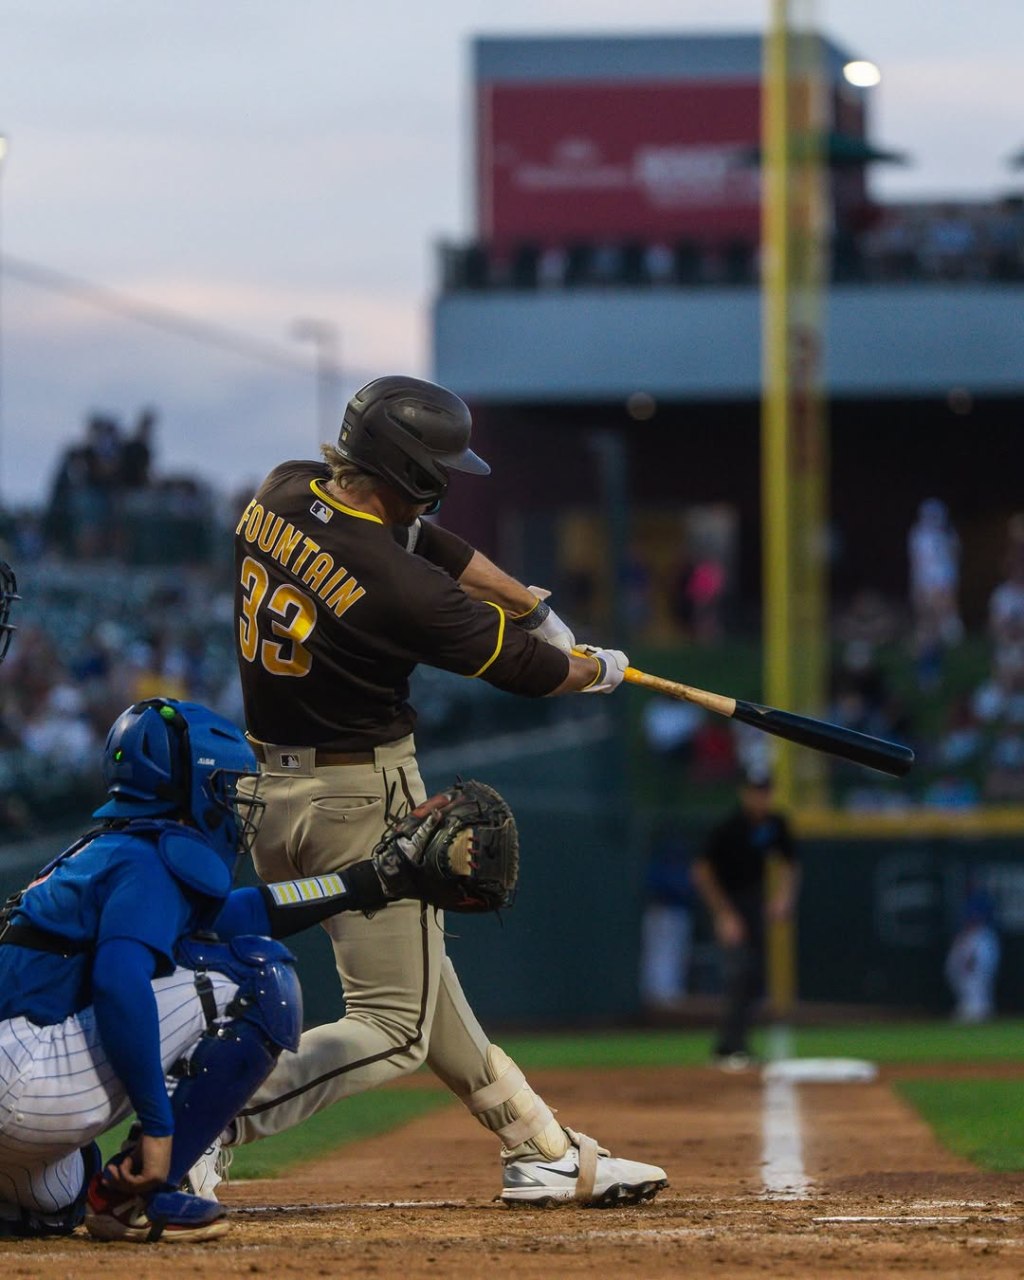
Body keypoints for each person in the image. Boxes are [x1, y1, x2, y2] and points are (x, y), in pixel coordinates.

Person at [226, 374, 667, 1207]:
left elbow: (423, 540)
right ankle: (216, 1116)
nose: (448, 480)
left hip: (271, 797)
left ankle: (536, 1144)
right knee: (393, 1026)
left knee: (422, 986)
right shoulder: (404, 595)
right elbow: (542, 677)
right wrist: (597, 669)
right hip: (363, 797)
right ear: (411, 469)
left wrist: (526, 606)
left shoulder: (281, 490)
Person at [0, 696, 493, 1243]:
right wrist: (158, 1128)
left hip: (20, 1087)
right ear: (194, 788)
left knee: (60, 1201)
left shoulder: (105, 852)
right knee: (259, 980)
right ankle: (139, 1198)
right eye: (227, 787)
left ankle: (90, 1195)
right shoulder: (148, 860)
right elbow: (119, 981)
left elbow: (242, 912)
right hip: (26, 1087)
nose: (237, 801)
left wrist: (368, 881)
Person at [691, 770, 799, 1070]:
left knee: (754, 979)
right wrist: (724, 914)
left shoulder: (775, 823)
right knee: (738, 974)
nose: (761, 798)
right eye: (756, 791)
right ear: (745, 793)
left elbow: (790, 863)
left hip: (756, 903)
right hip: (731, 902)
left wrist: (783, 898)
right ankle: (729, 1046)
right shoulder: (729, 827)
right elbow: (702, 871)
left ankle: (736, 1044)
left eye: (766, 791)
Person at [944, 890, 1000, 1023]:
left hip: (978, 958)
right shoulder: (964, 934)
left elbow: (983, 962)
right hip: (964, 968)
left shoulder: (984, 935)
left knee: (976, 982)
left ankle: (980, 1011)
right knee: (963, 982)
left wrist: (972, 961)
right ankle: (970, 1009)